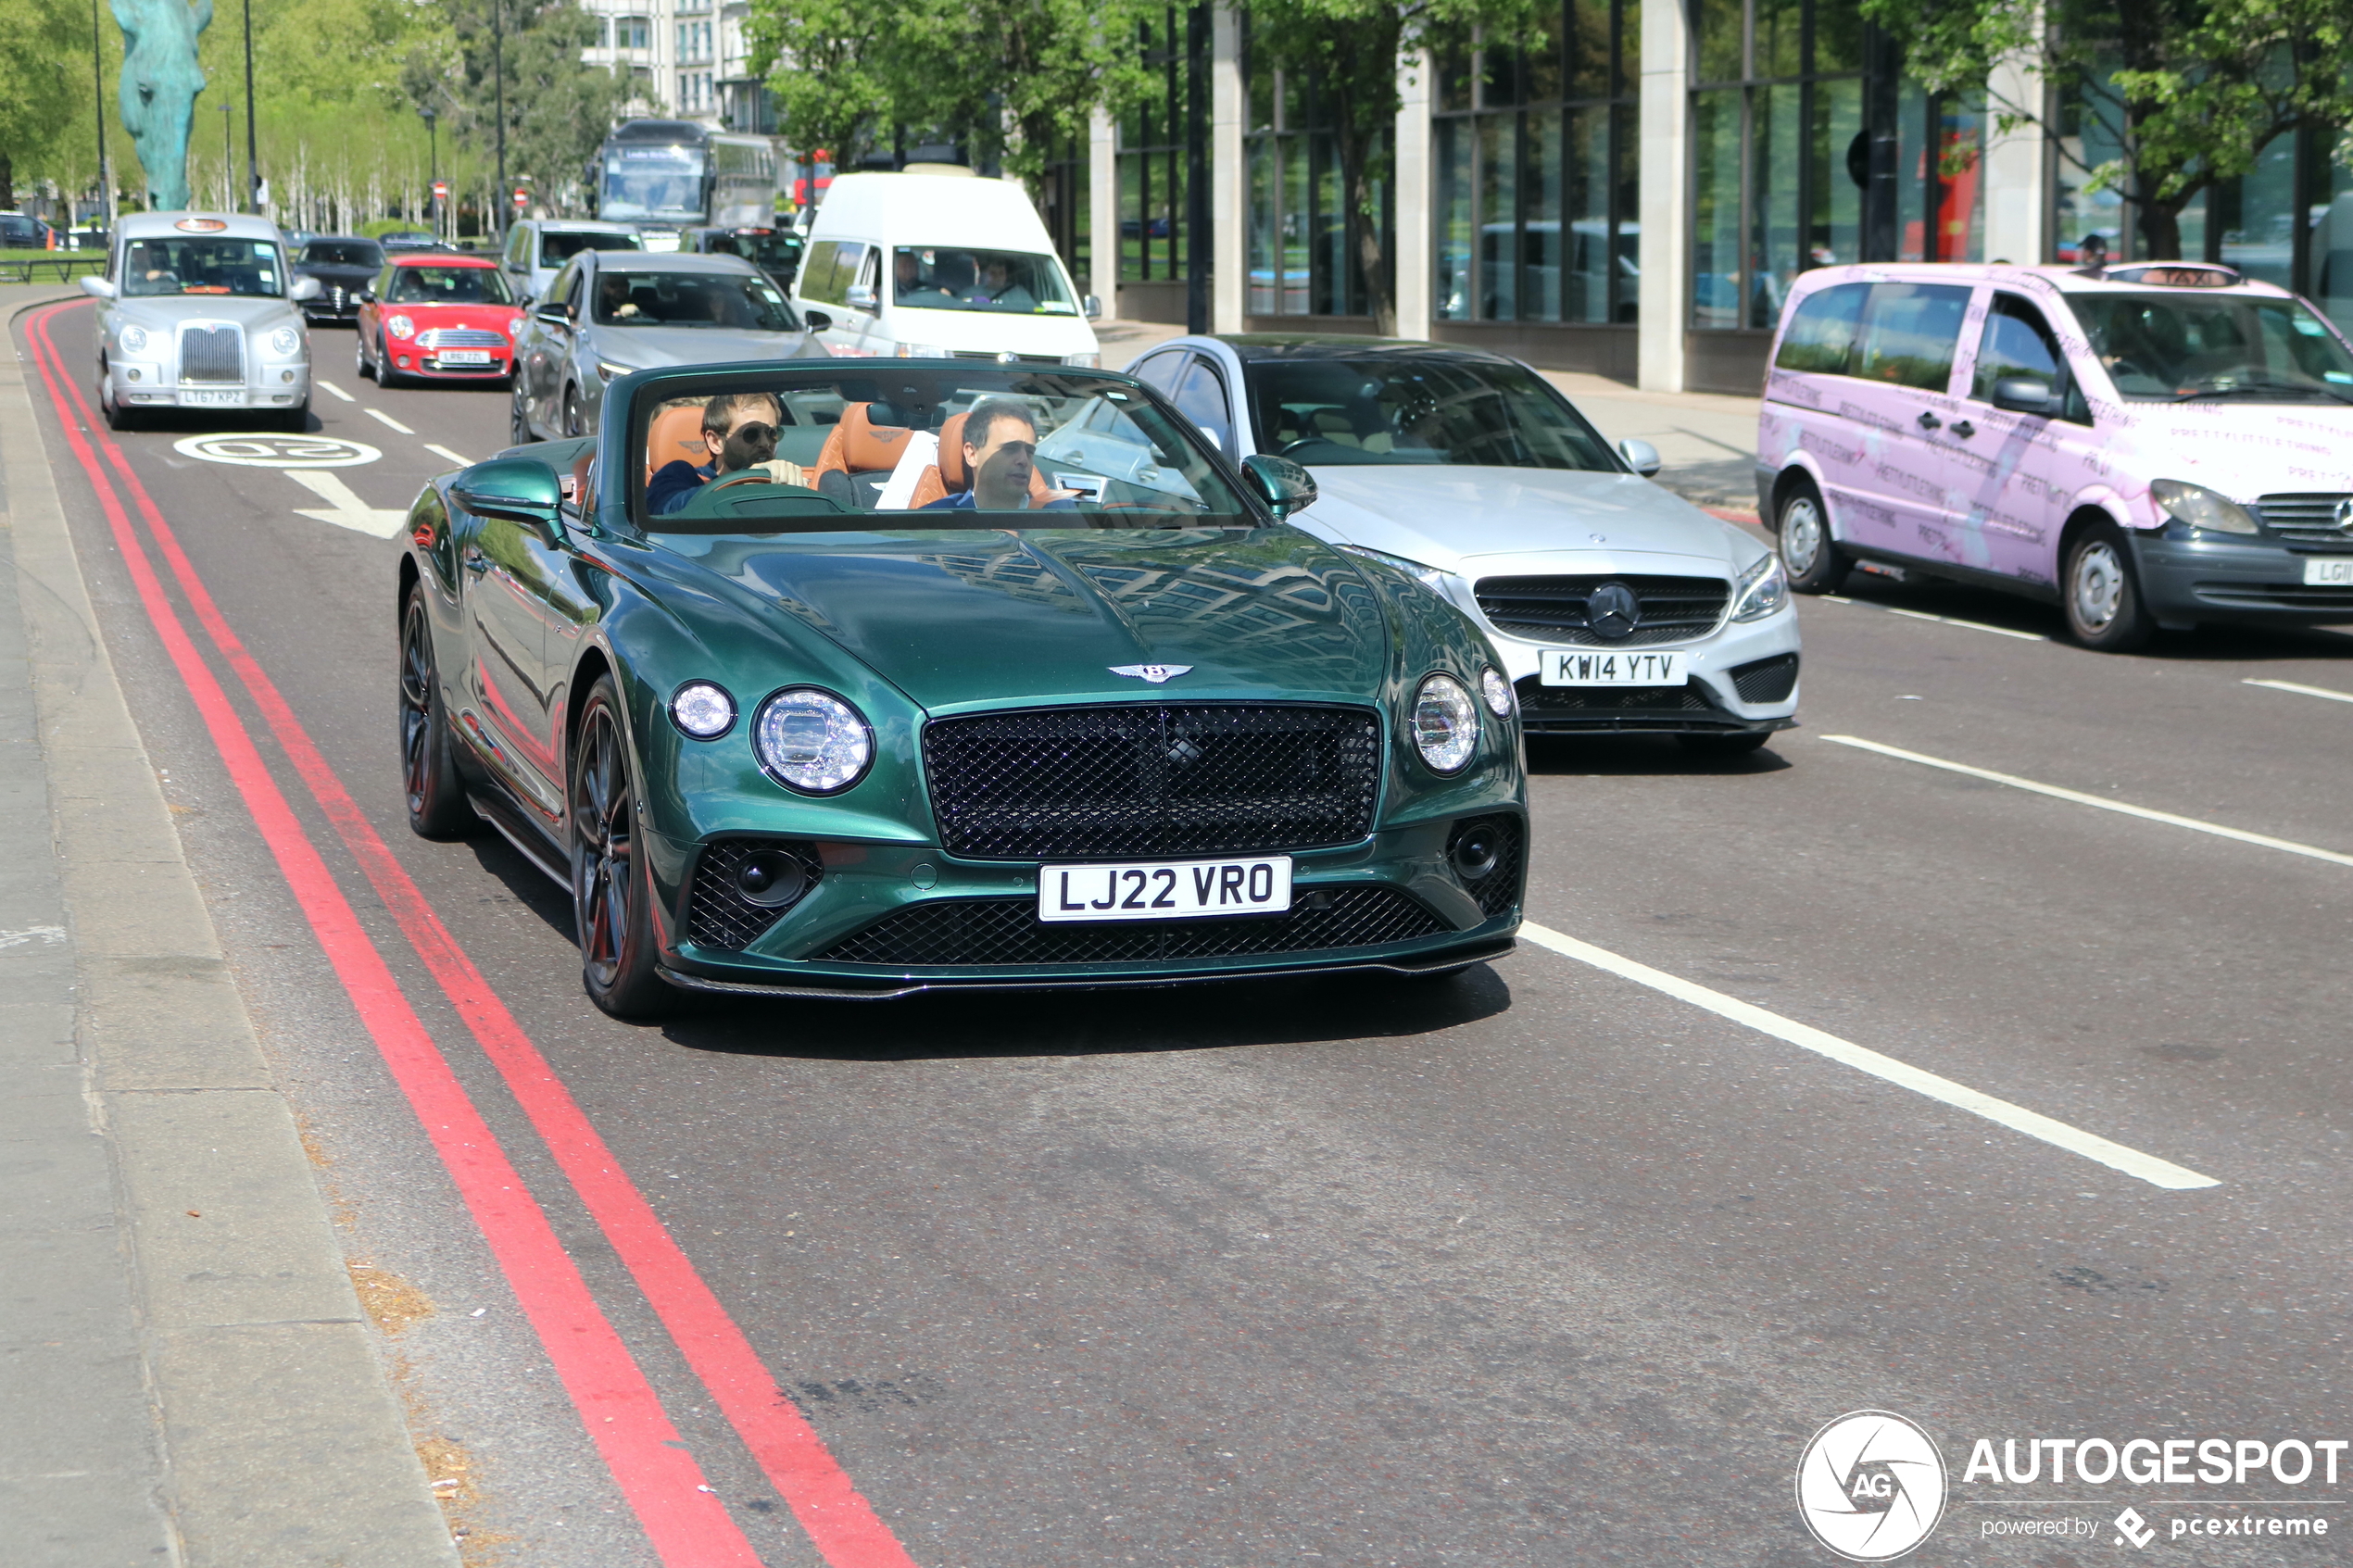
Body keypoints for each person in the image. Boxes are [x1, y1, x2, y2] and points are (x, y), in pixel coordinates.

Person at [647, 393, 809, 515]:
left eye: (772, 433)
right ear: (716, 442)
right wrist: (744, 483)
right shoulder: (683, 475)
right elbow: (664, 510)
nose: (765, 443)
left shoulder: (788, 481)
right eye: (750, 434)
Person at [919, 400, 1077, 511]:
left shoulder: (1059, 515)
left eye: (1029, 451)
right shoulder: (937, 519)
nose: (1023, 460)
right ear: (972, 454)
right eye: (1009, 449)